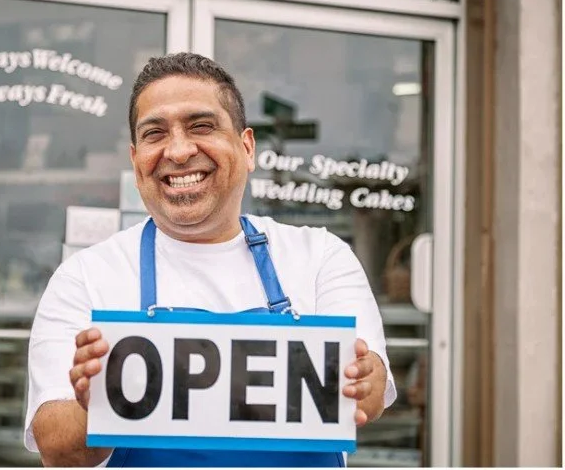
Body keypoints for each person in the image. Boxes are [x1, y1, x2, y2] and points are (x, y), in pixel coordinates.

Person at [24, 52, 396, 467]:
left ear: (247, 147)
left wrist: (362, 380)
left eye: (201, 126)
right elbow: (56, 449)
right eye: (155, 133)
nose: (179, 151)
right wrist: (97, 405)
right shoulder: (85, 276)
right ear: (135, 160)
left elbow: (373, 392)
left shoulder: (320, 257)